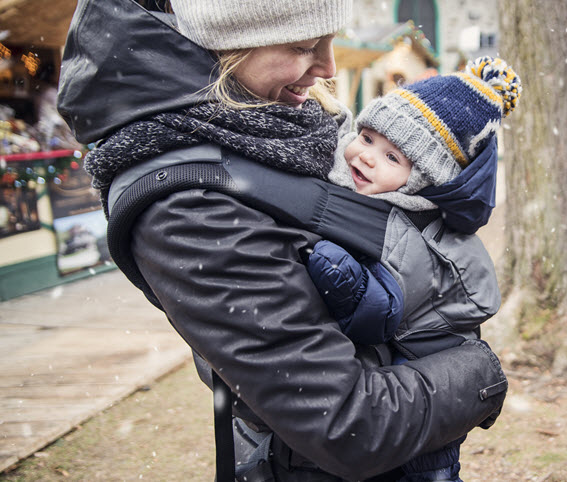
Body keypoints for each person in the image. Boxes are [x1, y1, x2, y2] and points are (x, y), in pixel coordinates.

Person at [56, 1, 507, 481]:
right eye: (303, 46)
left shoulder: (275, 129)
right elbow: (351, 426)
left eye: (330, 41)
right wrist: (481, 373)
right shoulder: (187, 206)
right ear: (230, 43)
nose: (328, 67)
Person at [306, 57, 520, 482]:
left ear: (419, 181)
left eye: (390, 157)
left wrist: (337, 271)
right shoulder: (358, 190)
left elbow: (379, 313)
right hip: (398, 393)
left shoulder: (415, 233)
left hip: (419, 401)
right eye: (365, 138)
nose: (365, 157)